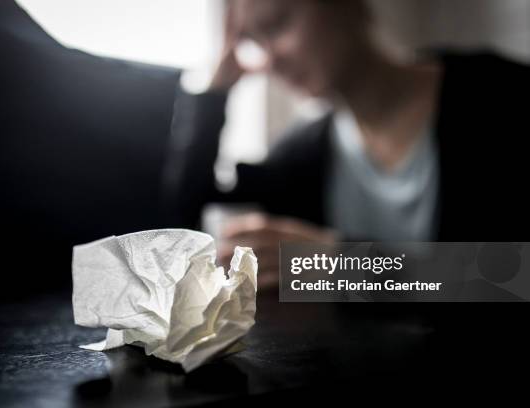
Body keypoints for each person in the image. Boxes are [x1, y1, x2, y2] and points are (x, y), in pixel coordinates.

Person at [162, 0, 530, 289]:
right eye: (252, 42)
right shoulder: (304, 152)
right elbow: (189, 219)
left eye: (277, 24)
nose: (270, 59)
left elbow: (513, 276)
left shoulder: (499, 96)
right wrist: (213, 92)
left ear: (348, 4)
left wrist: (348, 266)